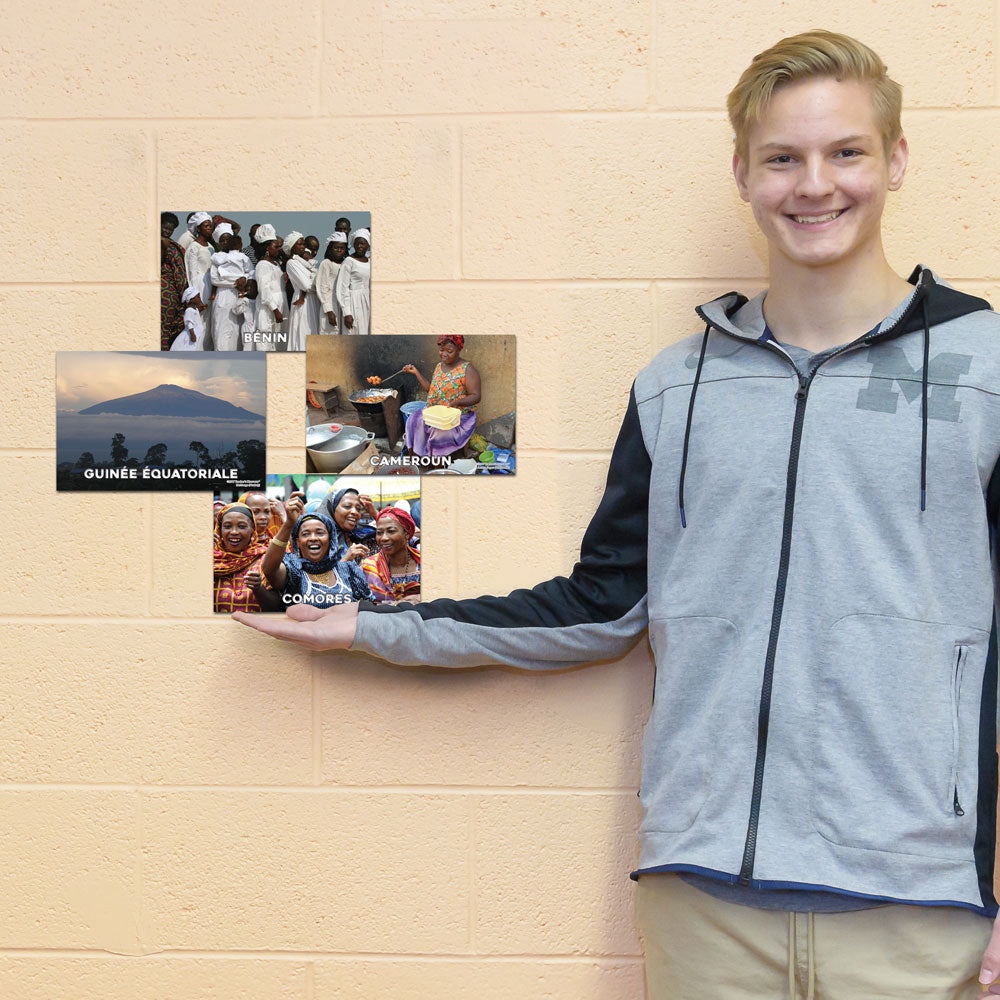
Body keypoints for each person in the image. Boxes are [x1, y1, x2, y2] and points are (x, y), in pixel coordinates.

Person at [235, 30, 1000, 996]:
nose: (815, 184)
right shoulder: (675, 387)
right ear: (743, 174)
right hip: (704, 908)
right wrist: (372, 625)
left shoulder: (987, 370)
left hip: (920, 912)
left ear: (894, 159)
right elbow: (601, 606)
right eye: (782, 158)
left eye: (845, 151)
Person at [259, 494, 373, 608]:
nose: (313, 538)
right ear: (298, 542)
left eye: (320, 533)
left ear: (330, 540)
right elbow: (269, 570)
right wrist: (289, 524)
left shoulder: (349, 569)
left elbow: (368, 605)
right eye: (306, 534)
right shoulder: (294, 569)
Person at [402, 335, 481, 458]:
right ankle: (416, 456)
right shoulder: (439, 366)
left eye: (449, 351)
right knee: (413, 419)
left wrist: (457, 402)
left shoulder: (468, 369)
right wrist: (416, 372)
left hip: (458, 418)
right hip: (437, 413)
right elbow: (430, 389)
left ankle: (436, 466)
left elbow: (476, 396)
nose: (444, 354)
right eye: (441, 350)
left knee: (438, 432)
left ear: (458, 350)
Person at [213, 502, 270, 613]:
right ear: (219, 530)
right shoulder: (210, 558)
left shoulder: (264, 558)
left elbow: (275, 606)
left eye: (242, 526)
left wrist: (259, 588)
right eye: (228, 526)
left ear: (252, 530)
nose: (234, 532)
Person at [361, 507, 421, 604]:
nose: (384, 538)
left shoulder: (424, 564)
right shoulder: (367, 568)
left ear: (407, 533)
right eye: (379, 533)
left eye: (391, 531)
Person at [283, 231, 319, 351]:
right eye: (300, 244)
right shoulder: (291, 263)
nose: (303, 246)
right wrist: (317, 281)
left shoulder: (305, 262)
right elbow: (307, 286)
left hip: (312, 300)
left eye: (304, 244)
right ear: (292, 247)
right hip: (303, 302)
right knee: (303, 333)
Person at [184, 212, 215, 347]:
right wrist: (195, 296)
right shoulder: (193, 247)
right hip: (199, 285)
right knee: (200, 319)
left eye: (210, 226)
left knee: (209, 321)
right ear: (198, 228)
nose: (209, 228)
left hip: (211, 284)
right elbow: (191, 272)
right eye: (206, 226)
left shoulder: (211, 247)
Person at [335, 230, 371, 335]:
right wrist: (347, 313)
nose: (360, 246)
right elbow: (342, 288)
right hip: (354, 303)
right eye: (357, 243)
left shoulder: (370, 262)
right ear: (353, 245)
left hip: (368, 302)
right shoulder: (349, 261)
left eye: (363, 243)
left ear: (367, 245)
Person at [160, 212, 187, 351]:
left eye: (170, 229)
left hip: (173, 294)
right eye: (164, 227)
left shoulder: (172, 244)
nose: (167, 231)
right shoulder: (157, 243)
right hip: (164, 292)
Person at [254, 235, 285, 352]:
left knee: (277, 342)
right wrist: (275, 309)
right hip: (269, 308)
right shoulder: (262, 265)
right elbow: (264, 289)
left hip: (280, 306)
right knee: (266, 342)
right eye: (276, 246)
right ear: (267, 248)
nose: (279, 249)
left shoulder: (275, 263)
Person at [316, 232, 349, 334]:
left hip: (342, 304)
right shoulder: (326, 263)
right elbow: (322, 287)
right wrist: (329, 311)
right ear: (331, 248)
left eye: (342, 248)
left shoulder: (346, 264)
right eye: (336, 247)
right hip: (330, 303)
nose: (339, 250)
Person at [169, 286, 205, 351]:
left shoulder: (194, 309)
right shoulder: (189, 310)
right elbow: (189, 323)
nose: (199, 299)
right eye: (198, 297)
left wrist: (202, 307)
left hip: (197, 331)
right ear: (192, 299)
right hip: (192, 333)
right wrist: (192, 334)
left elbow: (195, 314)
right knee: (190, 347)